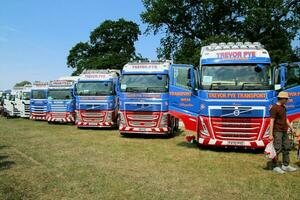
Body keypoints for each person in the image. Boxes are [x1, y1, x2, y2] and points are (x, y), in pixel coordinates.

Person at [269, 91, 298, 174]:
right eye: (286, 99)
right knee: (277, 148)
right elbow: (271, 121)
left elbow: (286, 119)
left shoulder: (283, 107)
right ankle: (275, 166)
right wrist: (271, 134)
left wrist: (291, 128)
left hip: (284, 131)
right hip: (277, 131)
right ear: (282, 99)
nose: (287, 100)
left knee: (286, 147)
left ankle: (285, 165)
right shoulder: (274, 108)